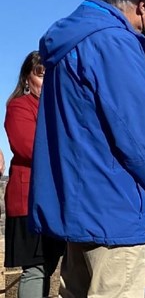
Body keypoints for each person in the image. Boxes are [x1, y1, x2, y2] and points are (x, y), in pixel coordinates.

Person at [29, 0, 145, 297]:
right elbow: (141, 135)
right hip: (114, 211)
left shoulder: (72, 42)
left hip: (77, 208)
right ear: (143, 4)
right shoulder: (116, 43)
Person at [4, 51, 65, 297]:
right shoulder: (18, 106)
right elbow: (28, 147)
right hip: (28, 200)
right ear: (26, 78)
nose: (45, 80)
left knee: (49, 264)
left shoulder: (57, 108)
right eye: (40, 74)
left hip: (54, 200)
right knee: (35, 268)